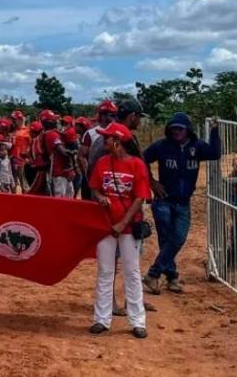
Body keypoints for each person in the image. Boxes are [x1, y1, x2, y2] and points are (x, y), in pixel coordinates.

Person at [142, 113, 221, 295]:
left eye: (180, 128)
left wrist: (215, 131)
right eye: (173, 128)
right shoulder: (162, 146)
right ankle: (171, 278)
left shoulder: (197, 146)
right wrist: (152, 182)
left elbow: (215, 154)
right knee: (166, 239)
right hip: (163, 200)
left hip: (183, 202)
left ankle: (154, 274)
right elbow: (141, 159)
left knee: (178, 238)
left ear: (188, 130)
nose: (176, 131)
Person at [88, 122, 150, 339]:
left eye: (107, 138)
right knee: (105, 272)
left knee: (132, 272)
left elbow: (140, 198)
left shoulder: (137, 165)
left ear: (117, 141)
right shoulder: (102, 163)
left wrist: (122, 224)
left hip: (127, 227)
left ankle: (137, 321)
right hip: (105, 225)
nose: (104, 142)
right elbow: (94, 186)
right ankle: (101, 319)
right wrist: (99, 197)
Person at [80, 101, 117, 201]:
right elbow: (82, 156)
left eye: (115, 114)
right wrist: (88, 175)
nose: (114, 117)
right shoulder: (91, 133)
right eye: (111, 114)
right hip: (94, 177)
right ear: (103, 115)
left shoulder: (117, 131)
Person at [37, 109, 74, 197]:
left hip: (61, 172)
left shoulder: (49, 133)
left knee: (68, 200)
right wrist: (73, 152)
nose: (56, 121)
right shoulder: (51, 134)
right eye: (54, 119)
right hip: (59, 173)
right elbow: (62, 151)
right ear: (49, 122)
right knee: (61, 201)